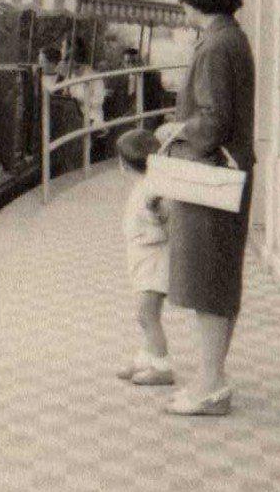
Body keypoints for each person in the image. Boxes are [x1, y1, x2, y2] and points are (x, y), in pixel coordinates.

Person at [155, 0, 255, 416]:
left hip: (207, 176)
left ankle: (211, 386)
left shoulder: (215, 46)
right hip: (226, 173)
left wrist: (174, 131)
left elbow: (213, 121)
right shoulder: (231, 38)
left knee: (207, 283)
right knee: (219, 279)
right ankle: (212, 379)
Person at [114, 128, 174, 386]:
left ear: (124, 165)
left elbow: (165, 222)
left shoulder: (152, 192)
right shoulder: (147, 185)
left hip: (154, 262)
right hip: (144, 261)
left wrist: (158, 211)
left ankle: (162, 366)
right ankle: (145, 358)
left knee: (147, 315)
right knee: (144, 315)